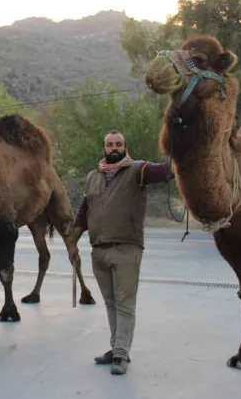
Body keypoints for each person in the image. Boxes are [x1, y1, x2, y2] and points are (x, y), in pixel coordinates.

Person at [68, 130, 174, 375]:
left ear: (125, 147)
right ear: (103, 147)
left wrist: (184, 152)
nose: (113, 148)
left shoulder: (138, 170)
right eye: (109, 144)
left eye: (118, 144)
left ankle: (121, 354)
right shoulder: (93, 177)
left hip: (126, 249)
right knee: (111, 303)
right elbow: (84, 212)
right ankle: (116, 347)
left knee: (125, 304)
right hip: (99, 251)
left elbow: (167, 171)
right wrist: (73, 243)